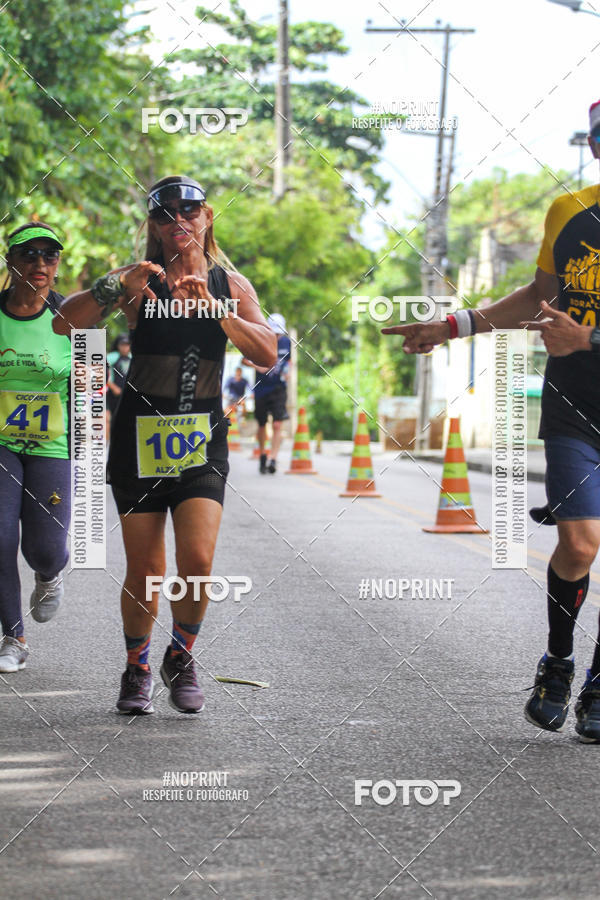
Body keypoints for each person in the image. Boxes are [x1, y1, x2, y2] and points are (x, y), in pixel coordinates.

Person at [383, 100, 600, 744]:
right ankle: (558, 664)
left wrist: (587, 340)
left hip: (580, 366)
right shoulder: (569, 212)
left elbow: (574, 330)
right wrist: (452, 326)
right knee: (581, 543)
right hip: (575, 408)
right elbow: (538, 298)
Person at [54, 175, 276, 714]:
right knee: (146, 569)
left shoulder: (230, 284)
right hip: (139, 439)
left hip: (201, 439)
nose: (179, 219)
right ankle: (136, 667)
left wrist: (218, 311)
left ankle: (181, 655)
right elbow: (64, 324)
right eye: (164, 212)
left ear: (207, 217)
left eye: (189, 209)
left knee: (197, 560)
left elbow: (267, 353)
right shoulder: (140, 282)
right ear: (152, 225)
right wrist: (111, 287)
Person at [0, 222, 71, 673]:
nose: (39, 264)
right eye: (28, 255)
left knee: (45, 548)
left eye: (49, 255)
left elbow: (91, 387)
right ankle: (13, 637)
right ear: (10, 261)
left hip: (53, 446)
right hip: (1, 445)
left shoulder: (72, 317)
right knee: (0, 537)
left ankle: (48, 575)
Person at [244, 313, 291, 474]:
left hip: (279, 388)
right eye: (274, 333)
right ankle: (263, 454)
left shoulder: (286, 342)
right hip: (261, 388)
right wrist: (258, 367)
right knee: (262, 424)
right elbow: (245, 359)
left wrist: (288, 371)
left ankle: (273, 458)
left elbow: (288, 361)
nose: (276, 336)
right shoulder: (259, 340)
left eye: (279, 333)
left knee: (277, 423)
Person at [106, 333, 131, 435]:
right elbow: (102, 372)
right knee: (113, 419)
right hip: (114, 394)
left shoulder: (131, 357)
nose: (125, 347)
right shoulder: (112, 357)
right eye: (122, 345)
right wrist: (113, 387)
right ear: (118, 345)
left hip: (127, 394)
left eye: (127, 344)